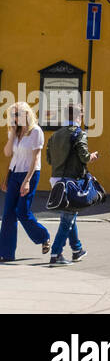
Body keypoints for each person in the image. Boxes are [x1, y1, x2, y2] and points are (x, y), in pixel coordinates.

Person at [46, 103, 97, 265]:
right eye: (81, 117)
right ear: (78, 117)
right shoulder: (79, 133)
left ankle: (77, 249)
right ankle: (56, 254)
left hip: (56, 180)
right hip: (71, 181)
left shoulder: (55, 136)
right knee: (68, 218)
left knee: (70, 215)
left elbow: (49, 160)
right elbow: (84, 157)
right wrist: (92, 157)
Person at [2, 102, 50, 262]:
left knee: (22, 212)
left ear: (27, 114)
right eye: (13, 115)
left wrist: (27, 181)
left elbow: (36, 158)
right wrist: (12, 133)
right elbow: (9, 153)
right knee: (8, 213)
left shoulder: (36, 132)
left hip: (30, 174)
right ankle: (6, 254)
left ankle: (43, 236)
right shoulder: (15, 132)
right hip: (14, 173)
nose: (15, 118)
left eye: (18, 114)